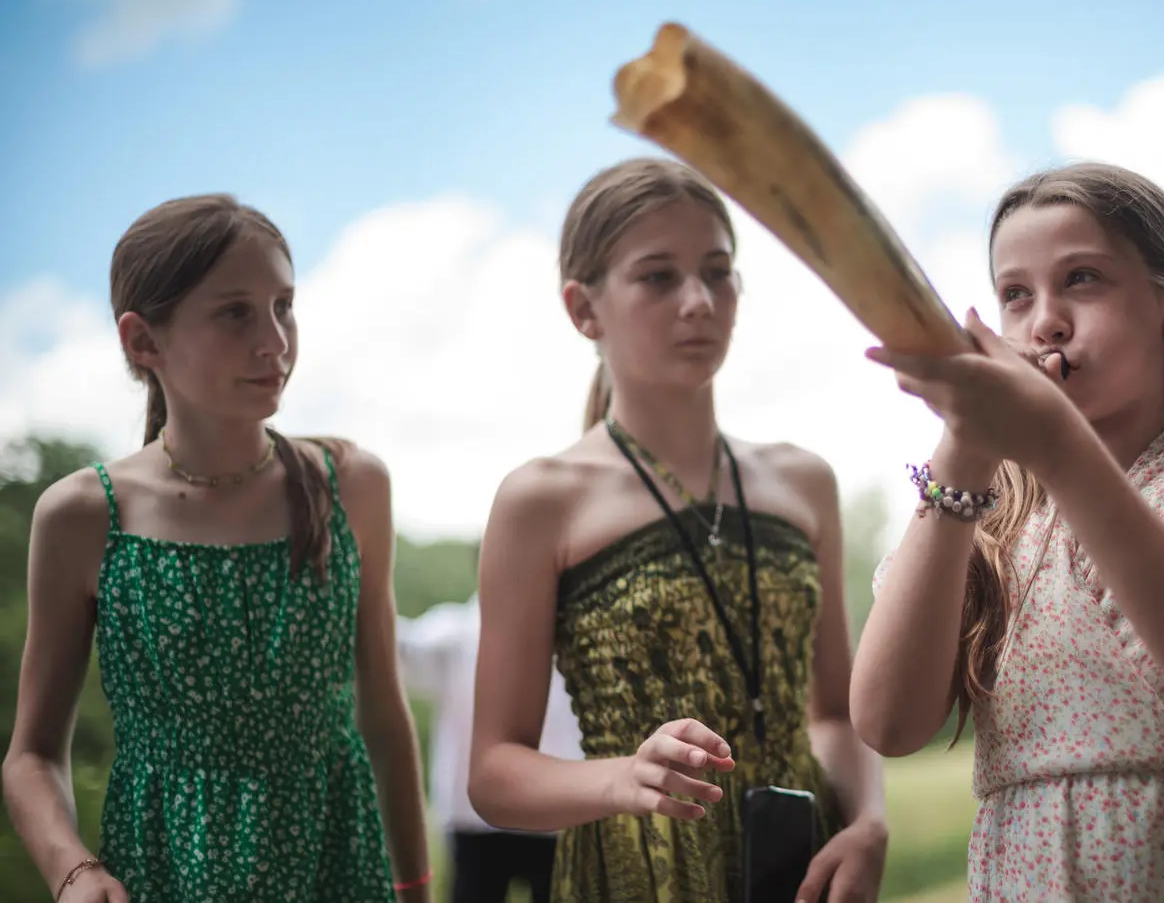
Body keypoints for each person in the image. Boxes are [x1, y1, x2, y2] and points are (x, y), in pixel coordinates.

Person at [849, 162, 1164, 901]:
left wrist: (1061, 447)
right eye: (1014, 295)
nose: (1045, 320)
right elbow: (887, 721)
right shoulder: (989, 509)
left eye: (1083, 279)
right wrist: (962, 449)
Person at [466, 157, 888, 903]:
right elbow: (495, 771)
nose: (698, 300)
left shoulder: (804, 481)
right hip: (637, 875)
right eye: (658, 277)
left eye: (717, 272)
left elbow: (831, 711)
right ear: (582, 308)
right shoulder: (541, 499)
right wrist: (622, 777)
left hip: (802, 868)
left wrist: (869, 823)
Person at [1, 194, 433, 902]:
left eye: (284, 305)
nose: (275, 339)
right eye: (236, 312)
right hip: (164, 876)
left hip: (334, 870)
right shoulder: (83, 516)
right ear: (143, 341)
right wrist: (73, 871)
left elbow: (385, 718)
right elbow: (32, 755)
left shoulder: (350, 485)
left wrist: (415, 888)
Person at [397, 593, 584, 903]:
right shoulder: (456, 633)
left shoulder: (571, 630)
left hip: (556, 815)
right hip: (479, 821)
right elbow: (403, 647)